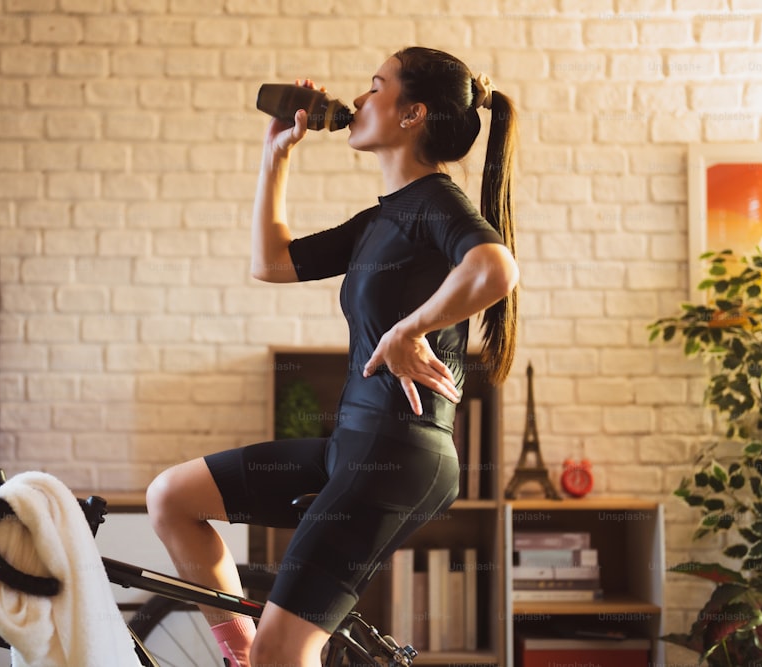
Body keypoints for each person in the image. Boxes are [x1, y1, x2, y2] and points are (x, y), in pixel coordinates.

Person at [146, 46, 520, 667]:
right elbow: (270, 261)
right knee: (171, 499)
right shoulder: (384, 219)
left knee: (287, 652)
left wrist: (409, 330)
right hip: (352, 445)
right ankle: (245, 655)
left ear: (412, 114)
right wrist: (276, 155)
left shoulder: (435, 202)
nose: (361, 98)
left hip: (395, 452)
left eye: (377, 87)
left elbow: (496, 266)